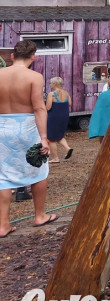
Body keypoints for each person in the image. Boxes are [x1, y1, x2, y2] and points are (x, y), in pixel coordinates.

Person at [0, 39, 57, 236]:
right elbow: (39, 108)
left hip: (2, 127)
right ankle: (39, 215)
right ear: (33, 57)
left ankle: (3, 224)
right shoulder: (34, 76)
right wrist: (44, 138)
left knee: (3, 175)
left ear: (13, 56)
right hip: (26, 127)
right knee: (38, 168)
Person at [88, 68, 110, 141]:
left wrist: (94, 131)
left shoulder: (103, 95)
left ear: (108, 83)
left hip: (106, 130)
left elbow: (97, 114)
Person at [45, 76, 73, 162]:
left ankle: (55, 158)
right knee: (60, 135)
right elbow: (70, 104)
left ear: (54, 84)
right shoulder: (66, 93)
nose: (50, 84)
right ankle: (68, 148)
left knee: (51, 138)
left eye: (50, 83)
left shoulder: (51, 94)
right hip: (64, 116)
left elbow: (48, 107)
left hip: (53, 117)